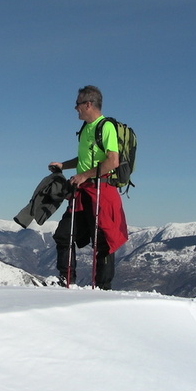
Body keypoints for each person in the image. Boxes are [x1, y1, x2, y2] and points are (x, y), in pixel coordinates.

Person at [49, 85, 128, 289]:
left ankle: (103, 289)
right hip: (83, 191)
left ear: (88, 104)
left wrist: (84, 175)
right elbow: (83, 159)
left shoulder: (106, 127)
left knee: (103, 241)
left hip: (102, 189)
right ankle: (66, 280)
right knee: (64, 234)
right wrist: (63, 165)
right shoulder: (85, 129)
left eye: (77, 104)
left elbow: (113, 161)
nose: (75, 109)